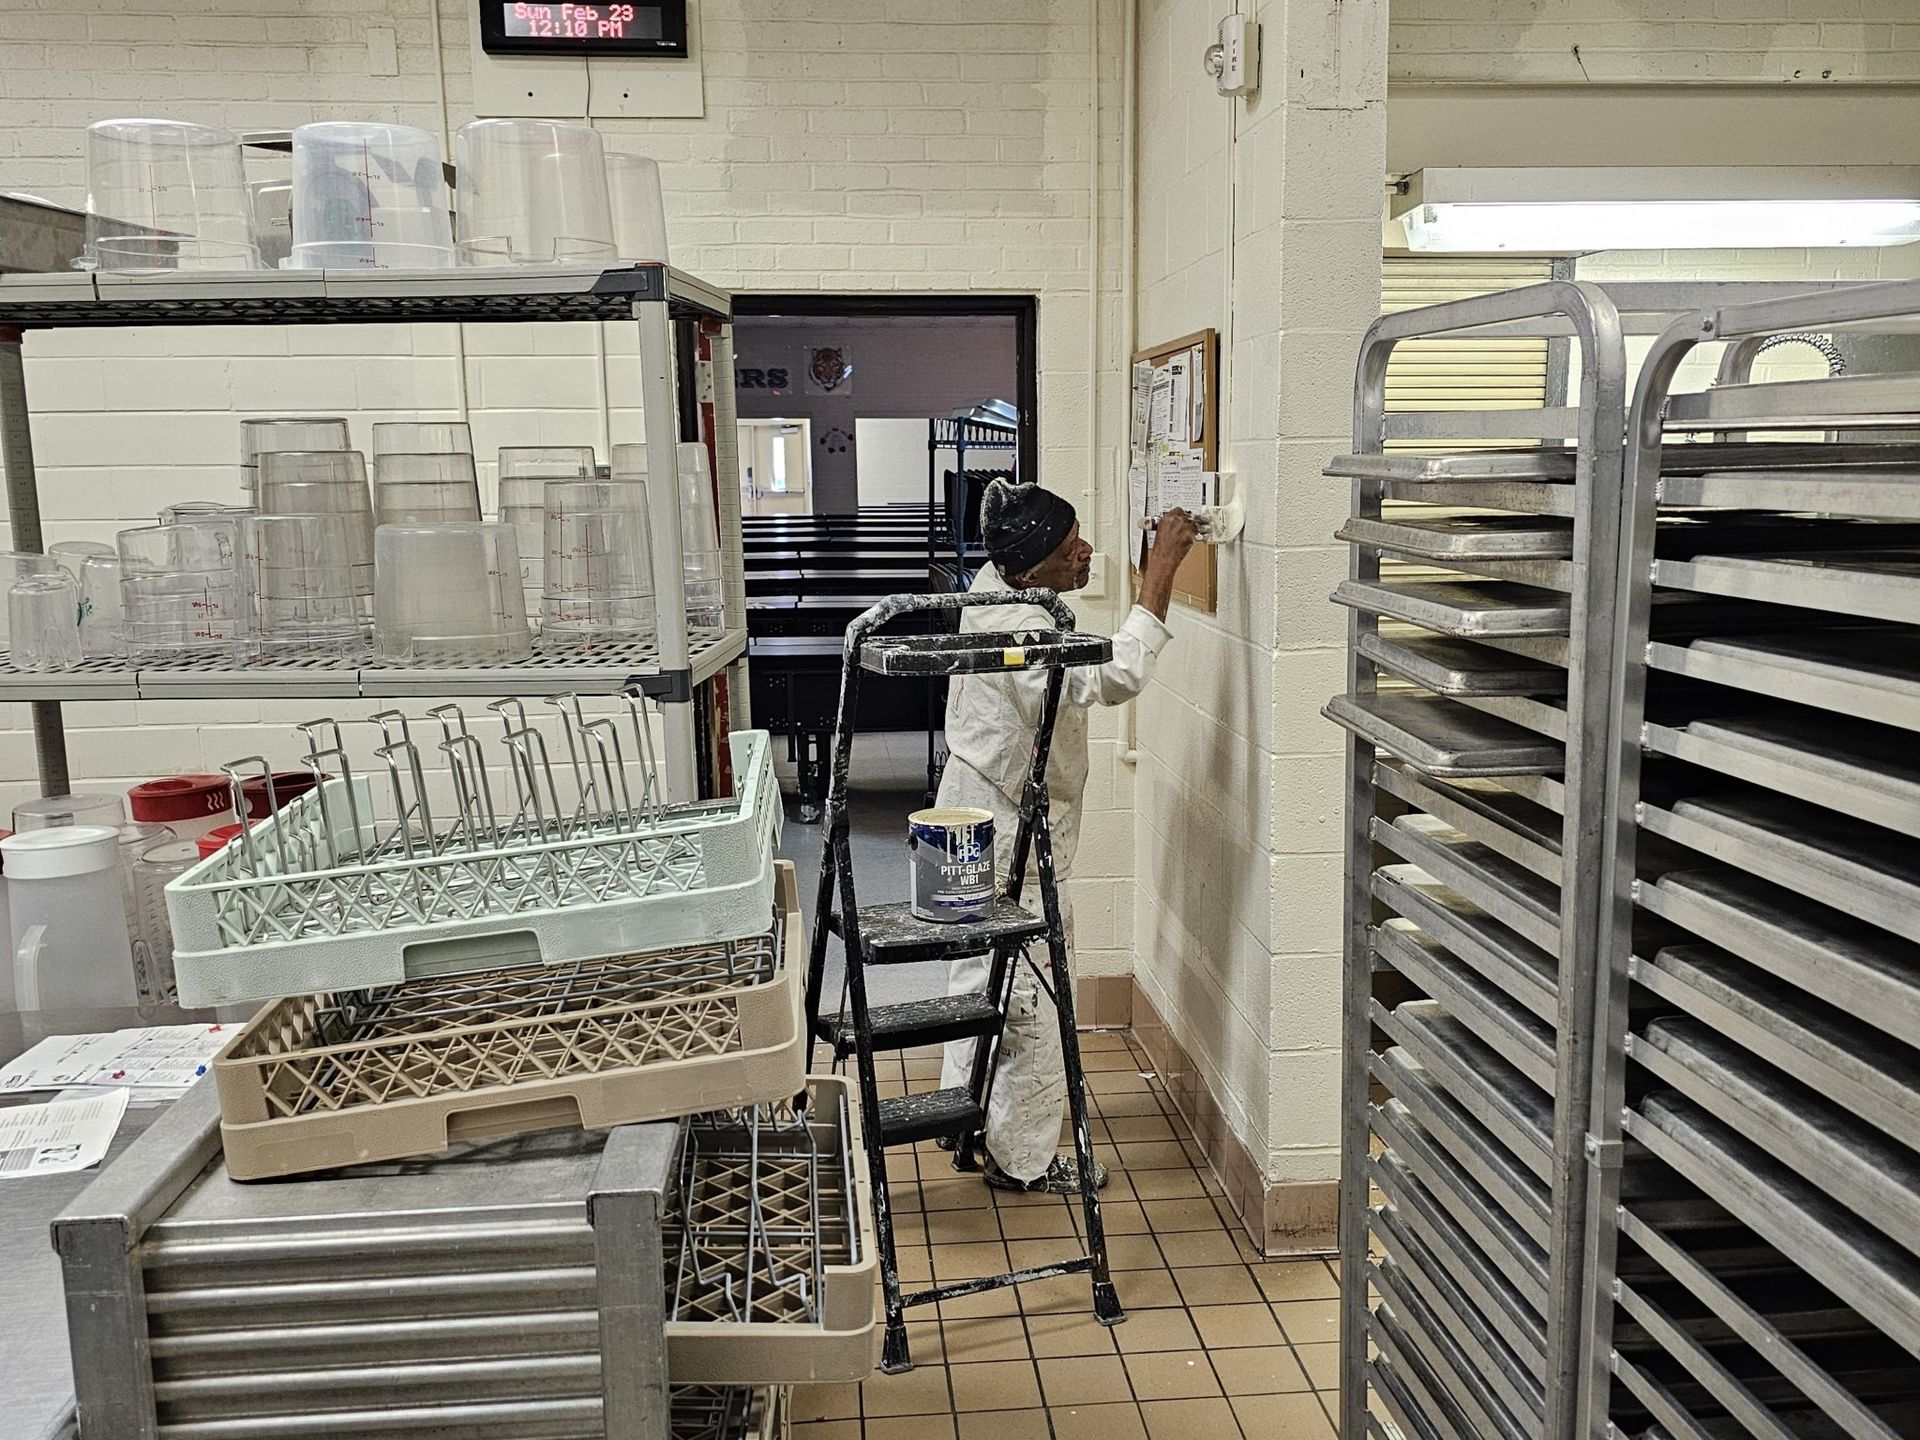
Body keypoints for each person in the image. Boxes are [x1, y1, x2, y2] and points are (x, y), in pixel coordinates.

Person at [937, 478, 1197, 1193]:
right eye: (1068, 546)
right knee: (1034, 999)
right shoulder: (1018, 625)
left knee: (976, 976)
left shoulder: (992, 590)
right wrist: (1162, 572)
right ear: (1030, 565)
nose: (1085, 552)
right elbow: (1109, 676)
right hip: (1000, 840)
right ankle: (1023, 1159)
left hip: (957, 822)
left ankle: (969, 1122)